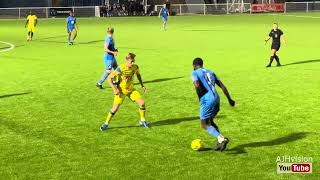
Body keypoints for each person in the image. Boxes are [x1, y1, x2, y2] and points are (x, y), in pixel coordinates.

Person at [191, 57, 235, 151]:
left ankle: (222, 139)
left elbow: (197, 85)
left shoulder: (194, 72)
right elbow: (222, 86)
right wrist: (230, 99)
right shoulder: (211, 72)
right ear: (202, 64)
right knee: (210, 121)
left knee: (204, 124)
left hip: (207, 100)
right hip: (217, 99)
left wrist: (201, 98)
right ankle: (219, 141)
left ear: (194, 66)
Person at [100, 53, 150, 131]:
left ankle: (142, 120)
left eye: (133, 61)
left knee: (142, 103)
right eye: (131, 61)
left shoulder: (135, 67)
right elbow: (109, 78)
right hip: (121, 91)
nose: (133, 63)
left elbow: (138, 75)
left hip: (131, 90)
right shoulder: (120, 68)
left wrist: (142, 86)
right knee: (114, 109)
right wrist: (114, 89)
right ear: (126, 61)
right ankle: (106, 124)